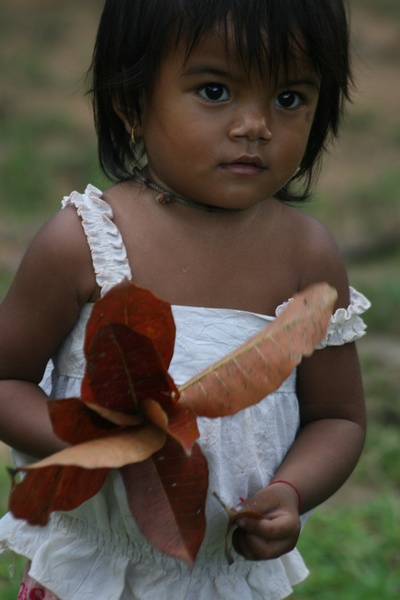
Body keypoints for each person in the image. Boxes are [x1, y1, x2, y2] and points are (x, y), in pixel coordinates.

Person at [0, 1, 371, 598]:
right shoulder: (86, 242)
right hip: (95, 575)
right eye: (216, 90)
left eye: (289, 99)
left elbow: (338, 418)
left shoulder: (308, 257)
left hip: (229, 577)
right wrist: (94, 442)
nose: (256, 125)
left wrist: (292, 493)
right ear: (132, 102)